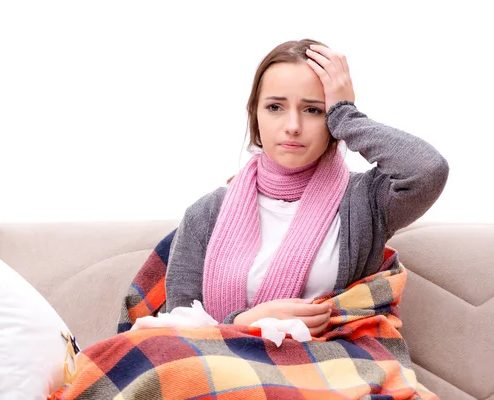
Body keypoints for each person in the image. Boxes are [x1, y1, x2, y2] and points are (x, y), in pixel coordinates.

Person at [164, 38, 449, 337]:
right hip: (223, 371)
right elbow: (178, 329)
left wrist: (345, 114)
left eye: (313, 110)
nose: (292, 125)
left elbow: (428, 170)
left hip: (331, 368)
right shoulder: (208, 212)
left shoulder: (364, 202)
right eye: (275, 106)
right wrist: (247, 322)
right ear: (255, 115)